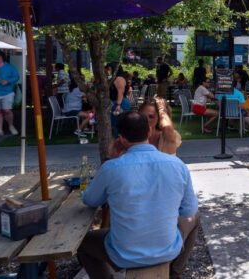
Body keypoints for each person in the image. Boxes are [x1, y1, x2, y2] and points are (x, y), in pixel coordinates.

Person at [78, 112, 198, 278]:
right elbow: (188, 211)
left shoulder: (111, 168)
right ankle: (175, 273)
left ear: (120, 138)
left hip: (123, 255)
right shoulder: (177, 165)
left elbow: (89, 200)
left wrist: (110, 158)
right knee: (195, 217)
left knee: (83, 245)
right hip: (167, 250)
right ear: (149, 131)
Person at [0, 50, 19, 136]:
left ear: (0, 57)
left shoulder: (10, 67)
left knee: (7, 110)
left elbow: (16, 77)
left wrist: (7, 81)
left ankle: (11, 126)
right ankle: (0, 130)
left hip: (7, 92)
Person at [110, 64, 131, 138]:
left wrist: (118, 105)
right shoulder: (118, 78)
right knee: (117, 125)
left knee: (119, 125)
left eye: (110, 69)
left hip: (120, 103)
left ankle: (121, 142)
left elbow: (120, 92)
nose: (109, 71)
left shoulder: (119, 78)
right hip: (119, 102)